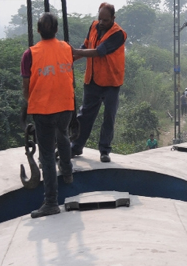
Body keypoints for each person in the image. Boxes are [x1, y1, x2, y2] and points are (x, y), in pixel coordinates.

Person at [21, 12, 75, 218]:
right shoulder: (67, 48)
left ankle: (51, 202)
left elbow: (26, 87)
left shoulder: (30, 54)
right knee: (63, 136)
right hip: (66, 105)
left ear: (37, 30)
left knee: (46, 155)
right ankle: (68, 173)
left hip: (43, 109)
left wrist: (31, 103)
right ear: (56, 30)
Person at [71, 2, 127, 163]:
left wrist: (75, 51)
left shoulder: (119, 34)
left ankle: (104, 150)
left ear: (113, 19)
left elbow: (99, 52)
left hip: (111, 82)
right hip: (93, 80)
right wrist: (71, 58)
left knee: (109, 117)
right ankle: (76, 146)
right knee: (85, 115)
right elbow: (86, 45)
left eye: (105, 20)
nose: (101, 23)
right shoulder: (94, 26)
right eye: (100, 19)